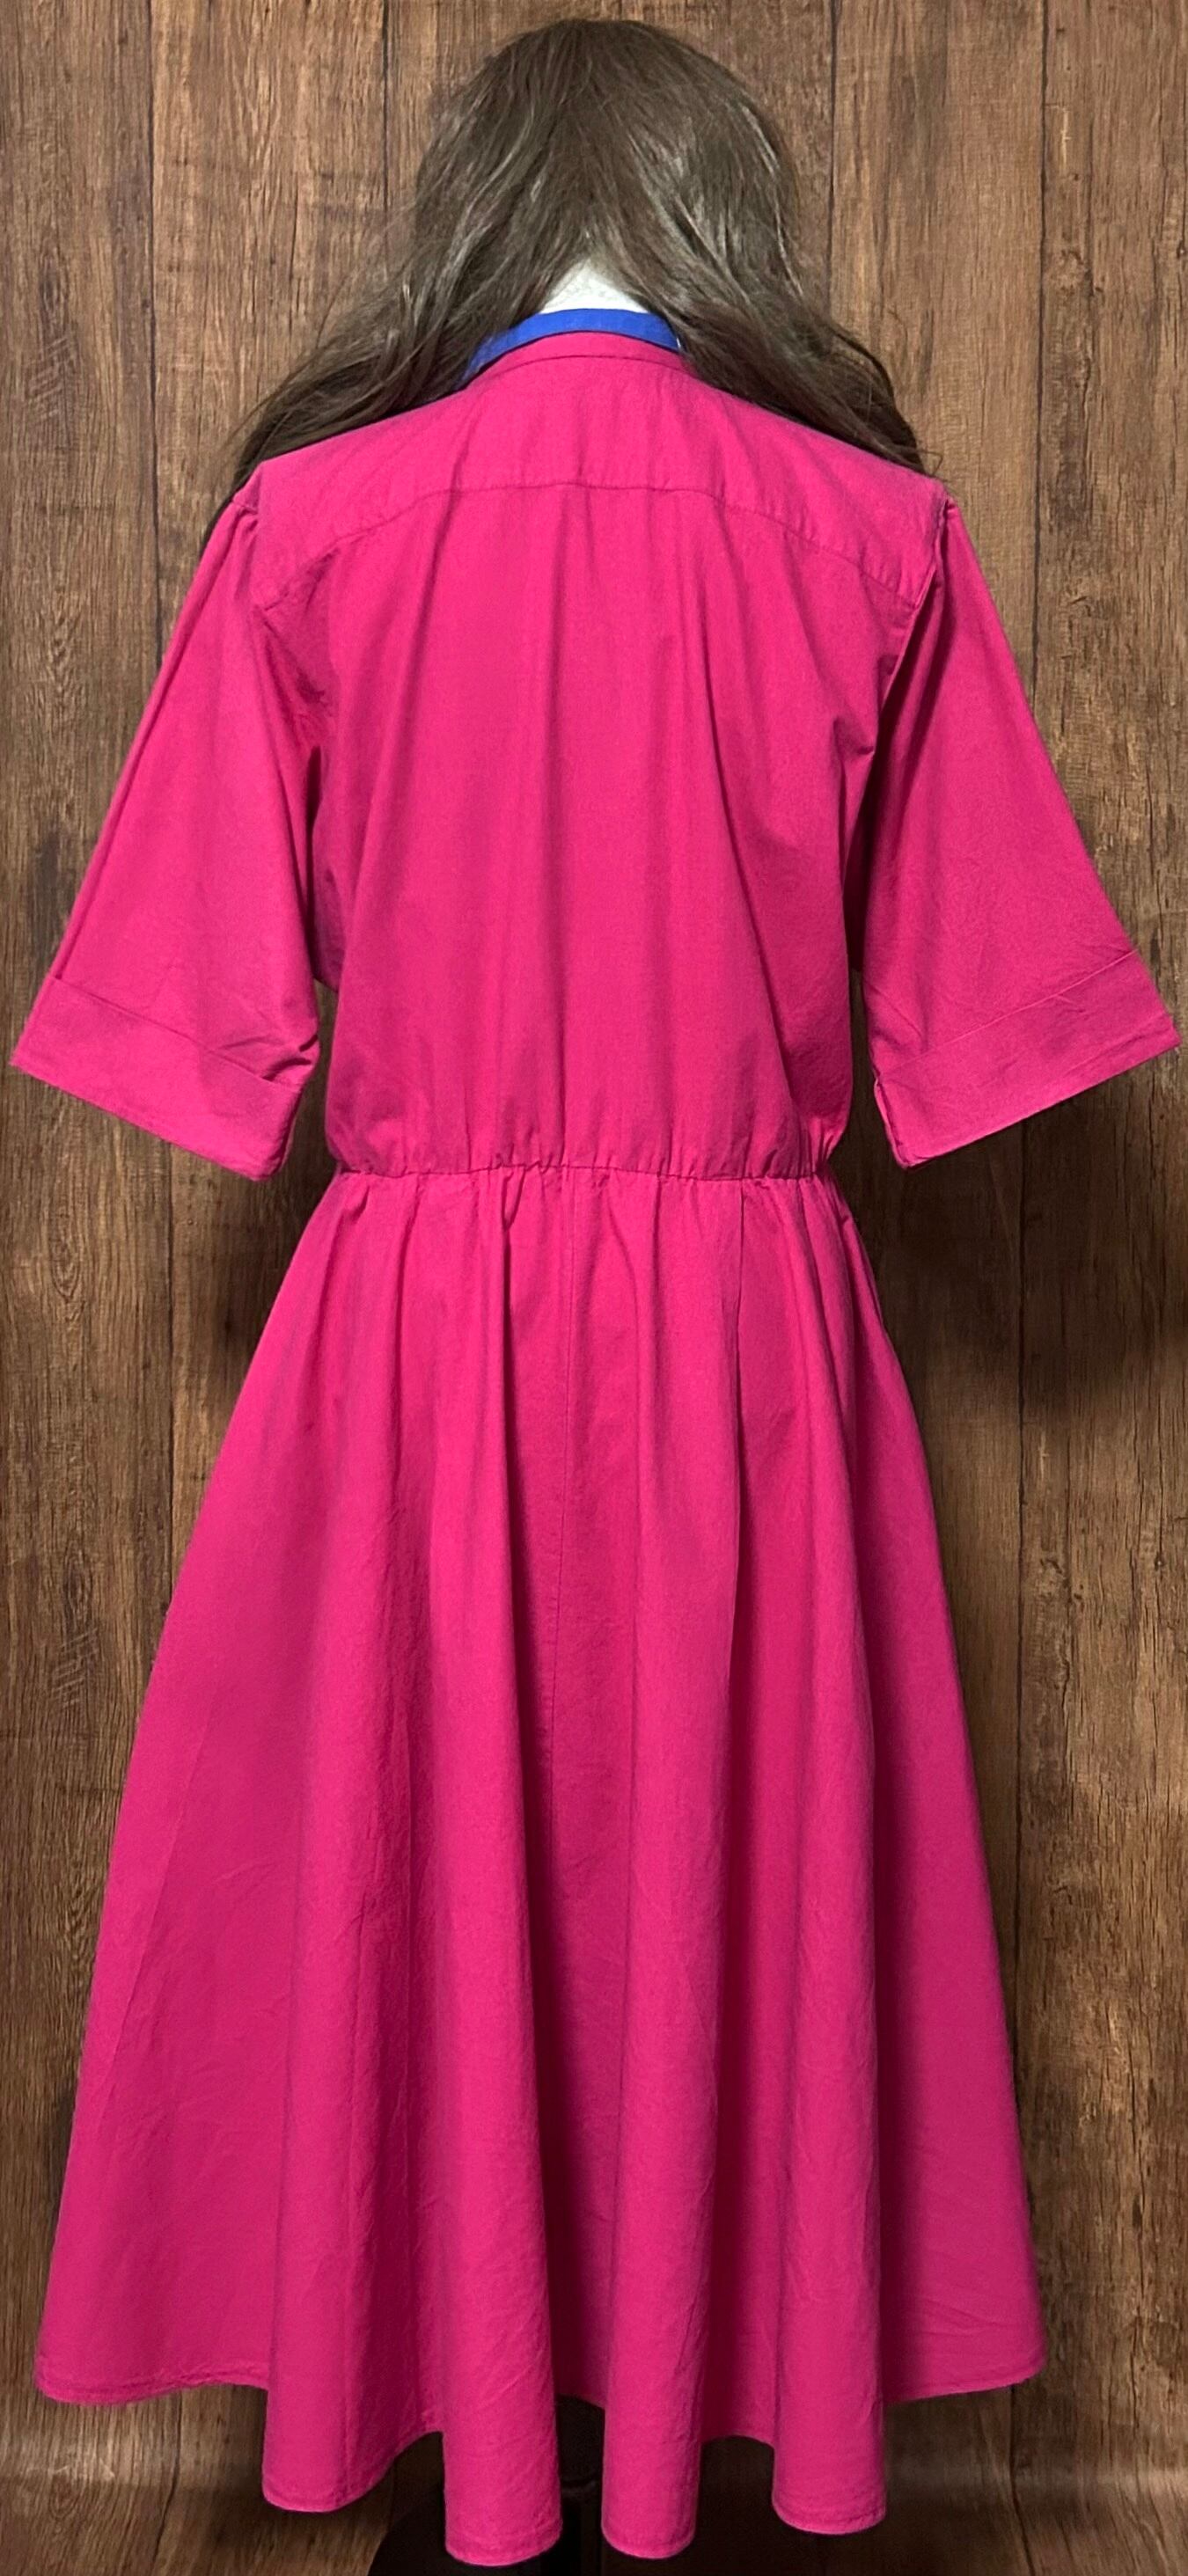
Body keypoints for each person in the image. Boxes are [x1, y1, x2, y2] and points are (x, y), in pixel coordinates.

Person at [10, 18, 1179, 2575]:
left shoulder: (311, 531)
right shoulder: (872, 537)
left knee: (413, 1891)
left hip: (410, 1343)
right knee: (698, 1904)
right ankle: (658, 2463)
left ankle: (494, 2460)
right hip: (749, 1354)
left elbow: (190, 1024)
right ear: (723, 218)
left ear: (468, 215)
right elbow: (991, 1029)